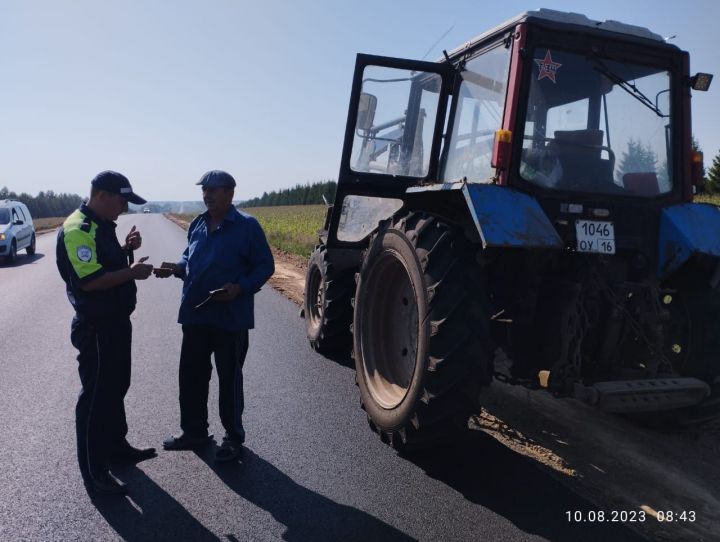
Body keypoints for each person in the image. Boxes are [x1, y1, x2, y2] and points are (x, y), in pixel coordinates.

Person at [156, 170, 274, 462]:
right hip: (195, 314)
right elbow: (189, 256)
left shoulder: (247, 226)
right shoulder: (198, 223)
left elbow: (265, 266)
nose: (207, 195)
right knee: (192, 376)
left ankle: (233, 439)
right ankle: (194, 431)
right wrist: (176, 266)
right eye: (204, 190)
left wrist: (240, 287)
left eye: (213, 189)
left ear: (230, 193)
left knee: (229, 380)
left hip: (230, 318)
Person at [56, 171, 156, 495]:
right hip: (96, 327)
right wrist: (132, 272)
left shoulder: (100, 224)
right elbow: (90, 281)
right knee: (96, 398)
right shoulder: (78, 229)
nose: (124, 208)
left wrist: (126, 250)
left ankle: (115, 448)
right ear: (102, 196)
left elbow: (106, 264)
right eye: (122, 200)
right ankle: (95, 472)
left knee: (116, 386)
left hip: (115, 323)